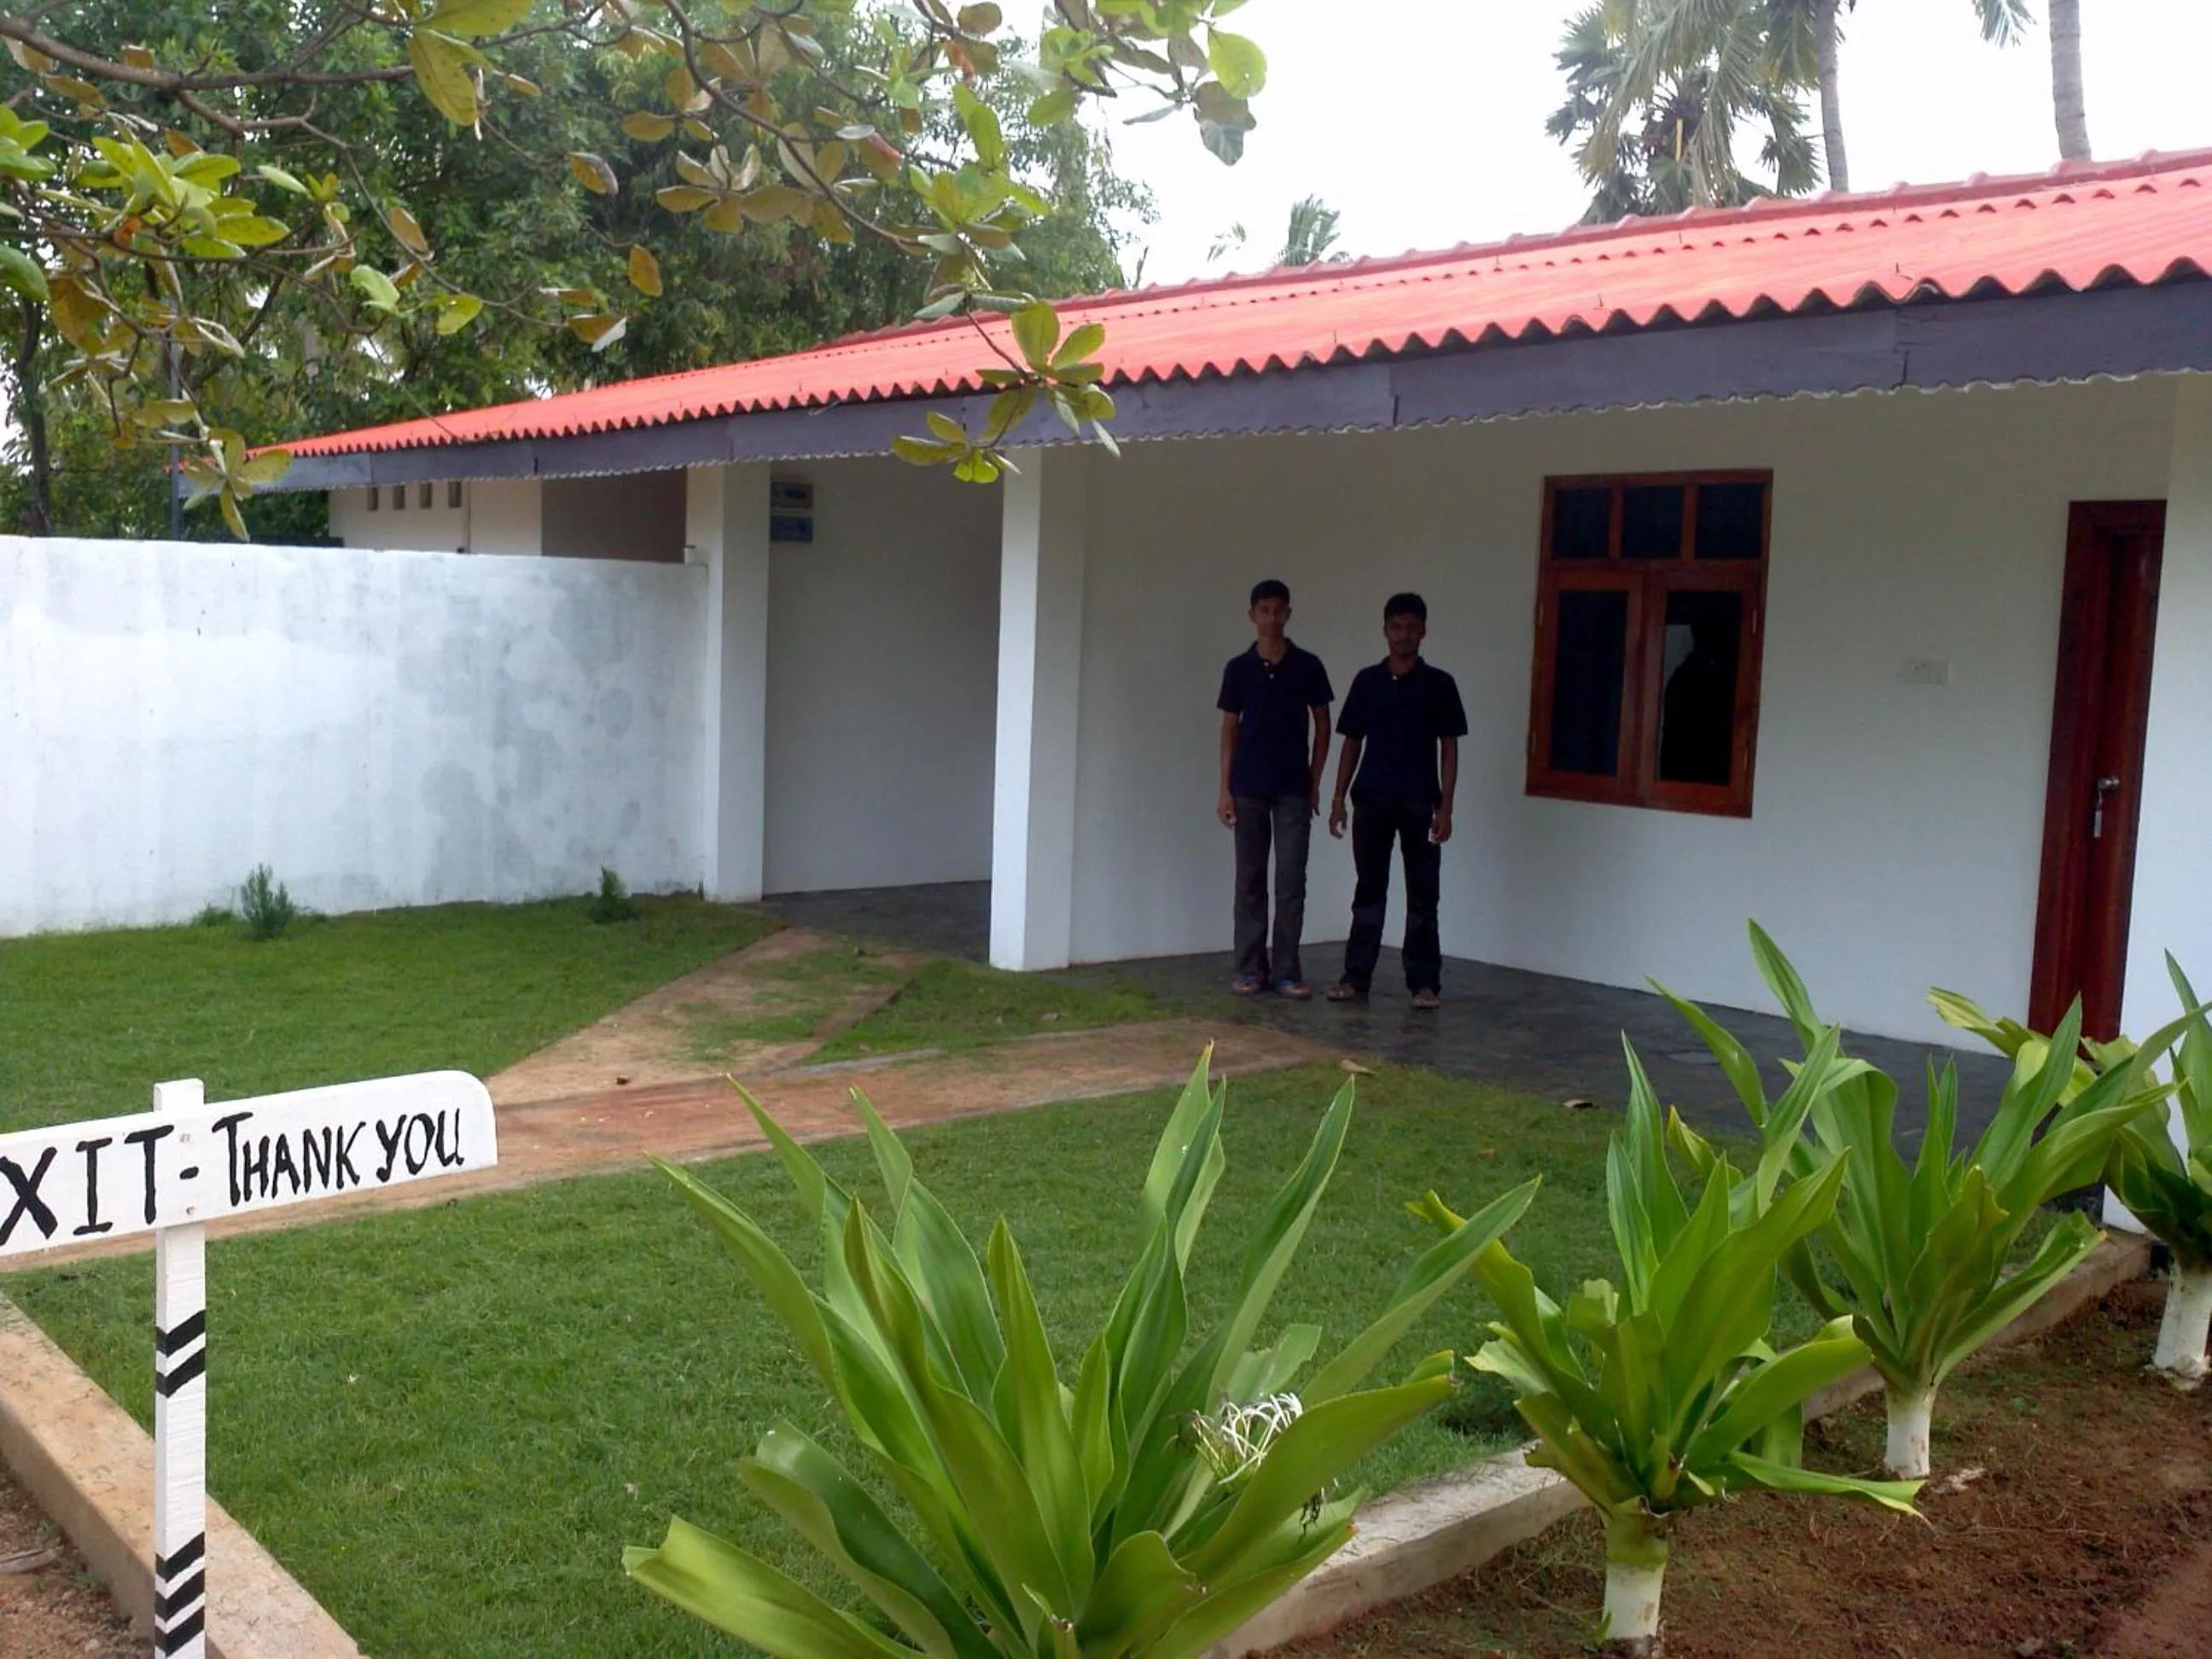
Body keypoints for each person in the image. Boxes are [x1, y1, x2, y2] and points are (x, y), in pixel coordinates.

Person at [1326, 592, 1468, 1010]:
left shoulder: (1440, 685)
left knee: (1423, 894)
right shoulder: (1366, 682)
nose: (1403, 636)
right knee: (1369, 890)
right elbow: (1352, 742)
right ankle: (1356, 978)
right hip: (1371, 798)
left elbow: (1449, 748)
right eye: (1396, 627)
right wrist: (1337, 798)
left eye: (1411, 627)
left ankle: (1425, 983)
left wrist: (1447, 807)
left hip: (1420, 800)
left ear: (1423, 631)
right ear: (1385, 631)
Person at [1216, 579, 1334, 998]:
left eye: (1278, 610)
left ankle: (1287, 970)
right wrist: (1224, 789)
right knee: (1249, 878)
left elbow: (1324, 722)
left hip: (1292, 788)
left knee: (1290, 879)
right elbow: (1229, 727)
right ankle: (1249, 967)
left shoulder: (1307, 666)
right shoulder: (1239, 669)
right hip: (1248, 785)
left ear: (1288, 614)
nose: (1271, 618)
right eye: (1263, 611)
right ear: (1252, 615)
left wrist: (1316, 780)